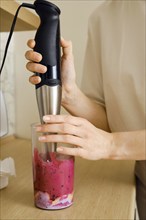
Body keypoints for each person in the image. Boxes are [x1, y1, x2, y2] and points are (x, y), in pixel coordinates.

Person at [25, 1, 145, 219]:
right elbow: (111, 123)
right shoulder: (103, 17)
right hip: (140, 178)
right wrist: (70, 95)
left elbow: (111, 139)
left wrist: (112, 144)